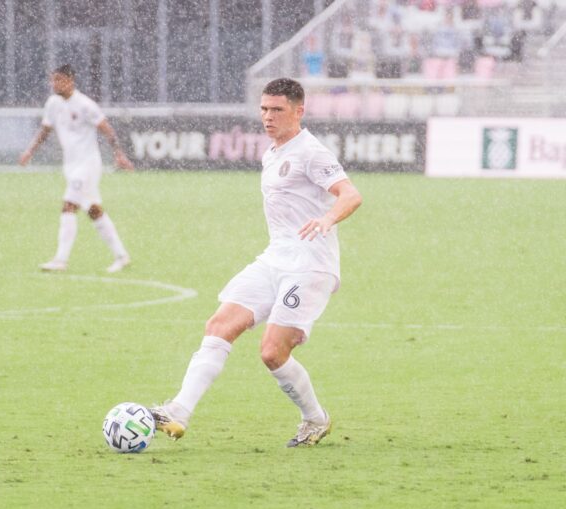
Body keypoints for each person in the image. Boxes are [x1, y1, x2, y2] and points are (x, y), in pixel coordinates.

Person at [151, 78, 362, 447]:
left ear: (299, 111)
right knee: (219, 324)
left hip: (310, 265)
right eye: (264, 109)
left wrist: (328, 219)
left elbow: (351, 194)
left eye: (277, 110)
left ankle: (315, 419)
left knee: (272, 352)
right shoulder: (272, 152)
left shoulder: (311, 152)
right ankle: (178, 411)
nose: (267, 117)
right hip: (275, 258)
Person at [19, 64, 133, 273]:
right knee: (93, 210)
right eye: (53, 80)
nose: (55, 84)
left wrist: (118, 153)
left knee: (68, 206)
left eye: (59, 80)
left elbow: (107, 129)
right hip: (70, 166)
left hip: (88, 164)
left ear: (70, 81)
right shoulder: (53, 103)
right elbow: (45, 130)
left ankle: (60, 260)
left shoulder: (85, 105)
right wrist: (29, 152)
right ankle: (121, 255)